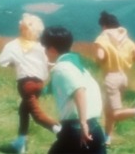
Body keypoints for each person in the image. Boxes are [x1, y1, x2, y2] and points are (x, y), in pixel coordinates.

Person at [0, 13, 60, 154]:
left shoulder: (13, 45)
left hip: (26, 84)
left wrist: (15, 64)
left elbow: (2, 61)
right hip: (39, 84)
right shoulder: (40, 47)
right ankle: (20, 143)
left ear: (21, 28)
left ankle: (62, 132)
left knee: (37, 115)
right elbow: (47, 63)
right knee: (23, 110)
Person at [40, 26, 106, 154]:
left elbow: (79, 91)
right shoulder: (77, 65)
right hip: (94, 127)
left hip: (76, 130)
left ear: (52, 49)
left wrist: (83, 124)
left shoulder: (62, 68)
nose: (44, 52)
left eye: (44, 48)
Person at [94, 11, 135, 146]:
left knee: (115, 113)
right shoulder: (126, 40)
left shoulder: (102, 39)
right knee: (109, 111)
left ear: (104, 26)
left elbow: (100, 56)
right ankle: (107, 138)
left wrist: (99, 61)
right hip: (123, 77)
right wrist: (126, 61)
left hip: (111, 78)